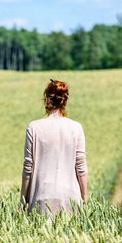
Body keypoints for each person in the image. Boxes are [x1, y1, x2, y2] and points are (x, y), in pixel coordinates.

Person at [20, 79, 88, 217]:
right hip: (71, 199)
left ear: (46, 100)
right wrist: (85, 198)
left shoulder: (33, 128)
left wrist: (23, 201)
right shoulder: (76, 128)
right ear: (65, 102)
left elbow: (28, 167)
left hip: (41, 199)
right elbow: (81, 166)